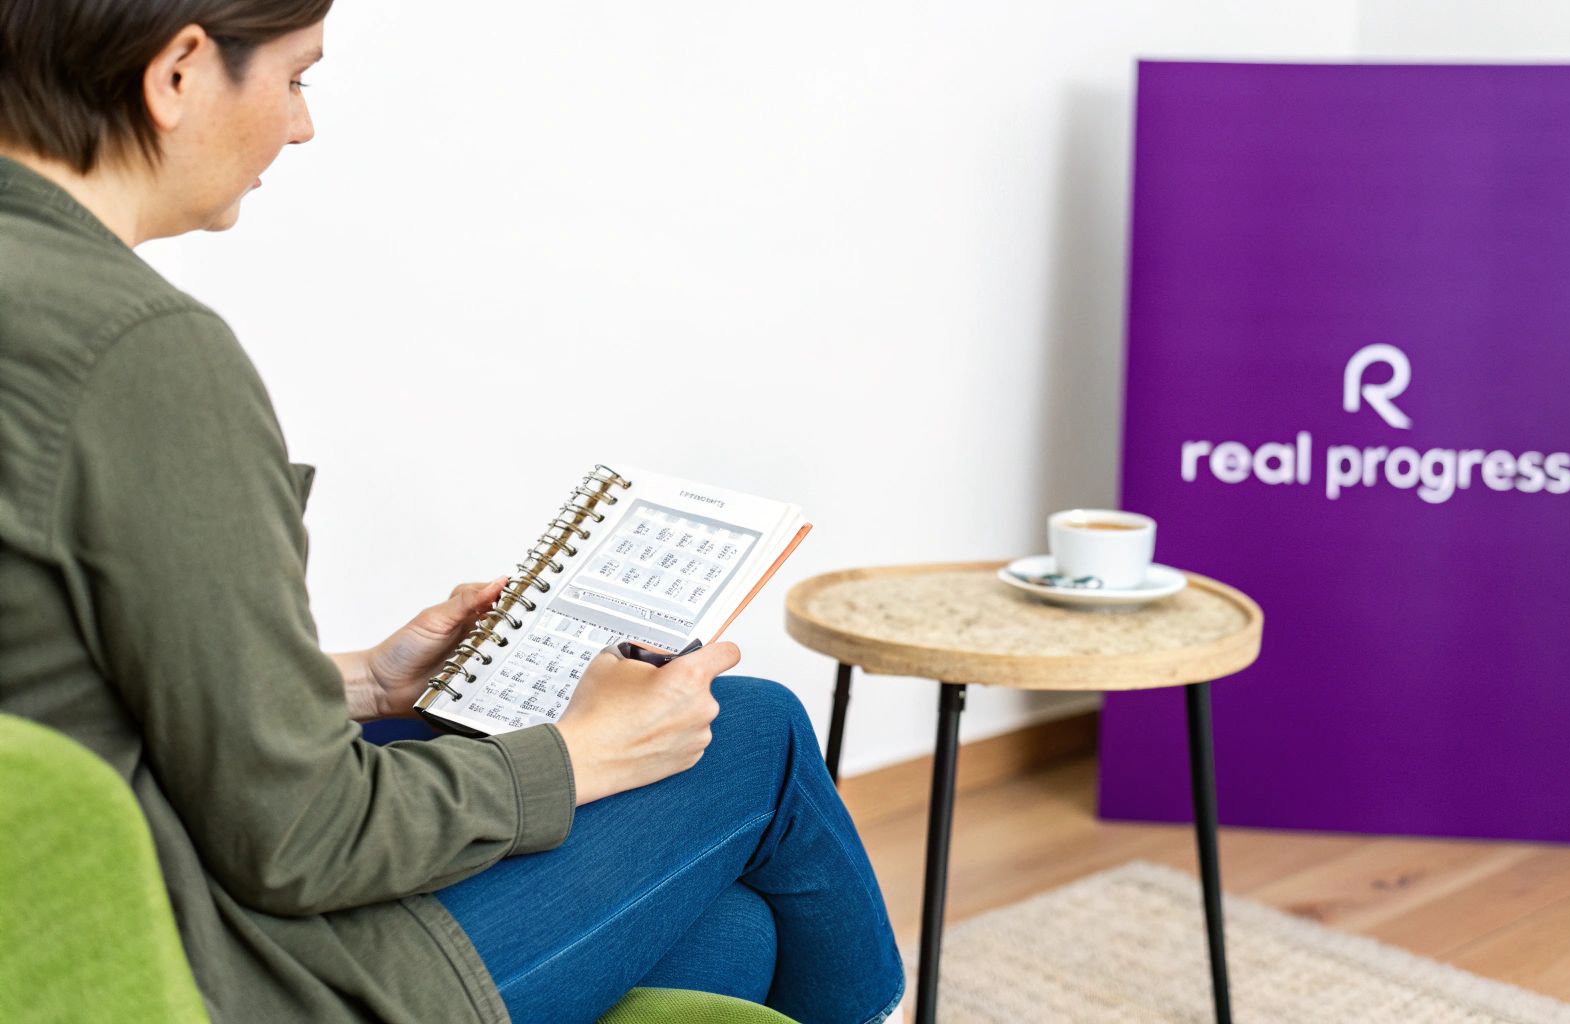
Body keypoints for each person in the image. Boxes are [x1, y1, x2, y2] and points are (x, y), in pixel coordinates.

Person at [0, 2, 906, 1022]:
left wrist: (359, 680)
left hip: (53, 920)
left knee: (735, 935)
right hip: (208, 960)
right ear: (178, 73)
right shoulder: (138, 351)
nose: (301, 126)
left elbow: (63, 681)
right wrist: (580, 754)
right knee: (755, 732)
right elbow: (302, 837)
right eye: (296, 78)